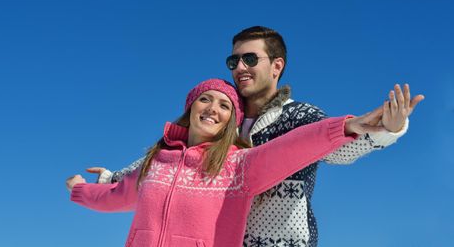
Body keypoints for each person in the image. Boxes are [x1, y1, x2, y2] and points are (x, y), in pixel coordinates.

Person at [89, 26, 425, 247]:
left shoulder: (298, 116)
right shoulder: (219, 121)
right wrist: (109, 178)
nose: (239, 67)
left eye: (250, 58)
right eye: (233, 60)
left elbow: (336, 149)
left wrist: (388, 130)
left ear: (277, 66)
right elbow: (169, 163)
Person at [67, 78, 412, 247]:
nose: (212, 109)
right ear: (191, 108)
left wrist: (347, 125)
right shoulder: (157, 162)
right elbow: (116, 195)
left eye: (224, 106)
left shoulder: (240, 167)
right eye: (205, 99)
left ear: (231, 121)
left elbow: (296, 146)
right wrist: (80, 190)